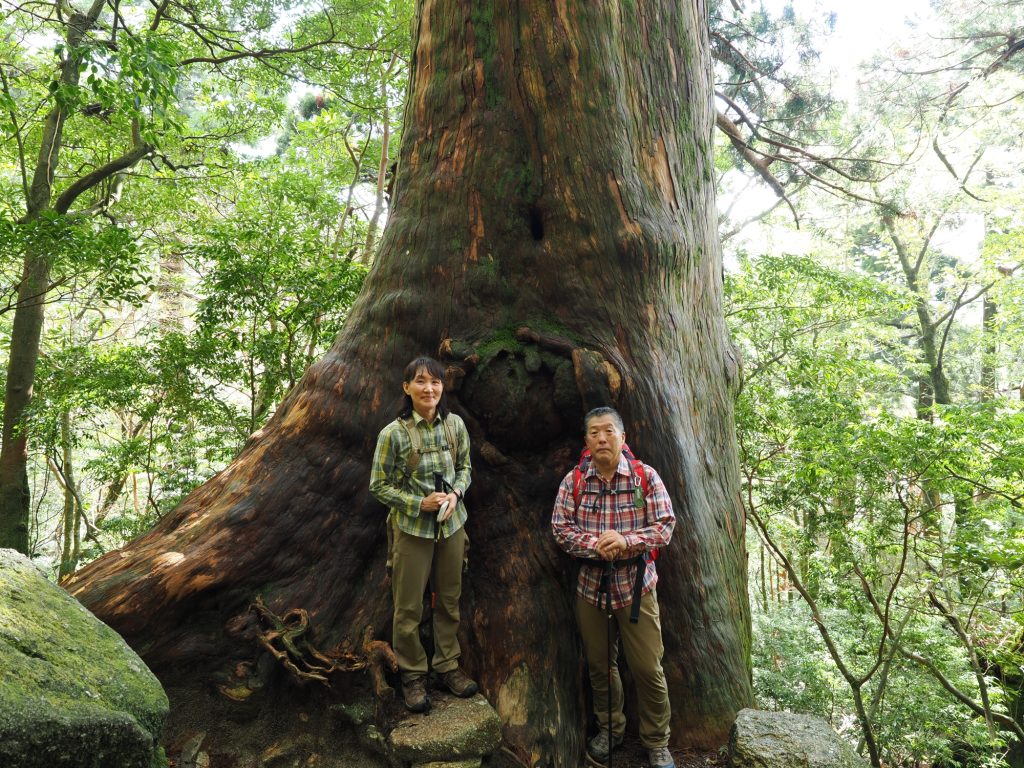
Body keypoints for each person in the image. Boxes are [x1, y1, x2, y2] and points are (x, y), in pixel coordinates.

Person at [551, 407, 677, 768]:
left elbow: (665, 525)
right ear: (586, 441)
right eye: (594, 433)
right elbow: (560, 529)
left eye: (609, 431)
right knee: (600, 665)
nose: (602, 438)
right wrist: (595, 545)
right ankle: (611, 729)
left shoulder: (644, 478)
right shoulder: (575, 481)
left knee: (648, 667)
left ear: (623, 438)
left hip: (636, 586)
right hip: (591, 587)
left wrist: (626, 540)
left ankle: (657, 741)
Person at [370, 356, 477, 712]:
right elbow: (378, 486)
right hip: (412, 530)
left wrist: (456, 494)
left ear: (442, 387)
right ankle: (413, 674)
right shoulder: (394, 434)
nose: (428, 388)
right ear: (406, 388)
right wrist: (419, 503)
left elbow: (465, 468)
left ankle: (447, 666)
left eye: (435, 382)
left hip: (453, 526)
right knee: (409, 606)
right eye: (420, 381)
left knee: (449, 599)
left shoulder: (455, 426)